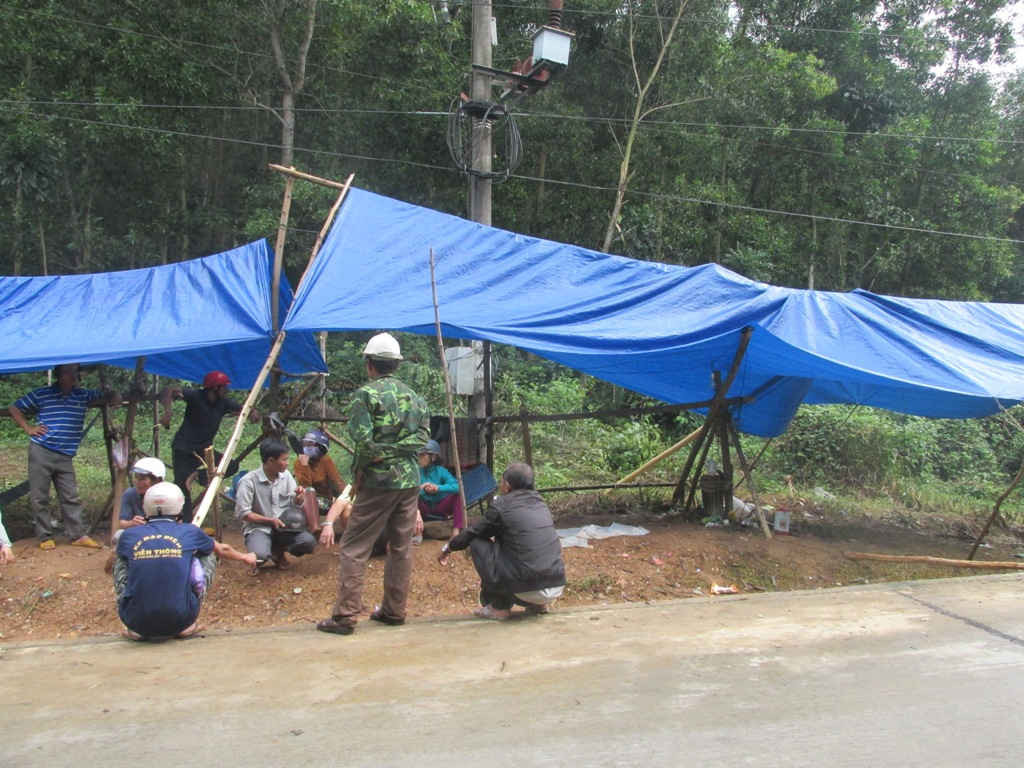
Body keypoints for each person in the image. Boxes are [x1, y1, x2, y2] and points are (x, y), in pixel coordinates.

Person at [317, 332, 429, 635]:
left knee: (354, 546)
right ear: (396, 364)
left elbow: (364, 442)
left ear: (370, 364)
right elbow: (421, 438)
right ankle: (394, 610)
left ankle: (345, 616)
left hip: (378, 481)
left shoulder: (365, 395)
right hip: (408, 481)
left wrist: (382, 455)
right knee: (401, 546)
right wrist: (399, 450)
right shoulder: (414, 396)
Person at [113, 481, 256, 640]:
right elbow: (222, 549)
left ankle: (135, 628)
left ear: (146, 506)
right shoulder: (190, 531)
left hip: (136, 621)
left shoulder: (129, 535)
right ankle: (188, 624)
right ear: (179, 507)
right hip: (181, 619)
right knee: (207, 552)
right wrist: (245, 557)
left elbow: (116, 563)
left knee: (122, 557)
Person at [438, 462, 565, 620]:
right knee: (522, 545)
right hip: (555, 584)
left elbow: (474, 532)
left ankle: (499, 607)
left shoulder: (502, 505)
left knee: (477, 541)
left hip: (525, 589)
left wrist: (448, 547)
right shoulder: (540, 503)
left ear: (507, 485)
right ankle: (539, 605)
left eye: (502, 481)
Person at [9, 363, 115, 550]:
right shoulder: (42, 394)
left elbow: (111, 397)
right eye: (69, 372)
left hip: (65, 454)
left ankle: (78, 535)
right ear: (60, 375)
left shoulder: (82, 395)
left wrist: (112, 392)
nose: (74, 376)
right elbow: (14, 408)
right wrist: (29, 429)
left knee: (70, 495)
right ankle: (44, 536)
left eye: (76, 373)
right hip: (42, 449)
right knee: (39, 495)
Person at [162, 370, 259, 523]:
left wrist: (252, 412)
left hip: (205, 450)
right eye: (224, 387)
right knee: (183, 491)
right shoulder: (195, 396)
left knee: (231, 466)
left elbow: (245, 408)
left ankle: (197, 476)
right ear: (215, 388)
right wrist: (167, 413)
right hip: (183, 449)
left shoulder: (224, 403)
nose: (227, 391)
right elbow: (169, 390)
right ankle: (187, 525)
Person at [235, 437, 316, 569]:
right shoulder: (248, 481)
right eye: (284, 459)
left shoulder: (286, 476)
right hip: (258, 528)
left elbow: (294, 504)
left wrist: (299, 498)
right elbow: (243, 514)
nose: (287, 463)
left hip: (285, 528)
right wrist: (270, 520)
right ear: (271, 461)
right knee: (259, 556)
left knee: (308, 542)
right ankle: (268, 550)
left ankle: (278, 550)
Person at [293, 429, 346, 531]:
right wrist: (305, 465)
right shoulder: (300, 462)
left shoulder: (325, 460)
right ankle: (314, 527)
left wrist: (344, 498)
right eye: (305, 444)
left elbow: (336, 481)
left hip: (325, 501)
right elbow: (305, 487)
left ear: (320, 447)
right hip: (307, 500)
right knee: (303, 495)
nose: (306, 447)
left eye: (310, 444)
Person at [416, 439, 465, 531]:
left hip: (440, 509)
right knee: (408, 498)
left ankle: (456, 531)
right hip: (423, 509)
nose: (420, 458)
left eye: (423, 455)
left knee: (458, 496)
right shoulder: (417, 471)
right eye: (419, 455)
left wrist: (438, 488)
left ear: (433, 457)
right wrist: (423, 488)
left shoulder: (441, 471)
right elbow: (409, 492)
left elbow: (458, 487)